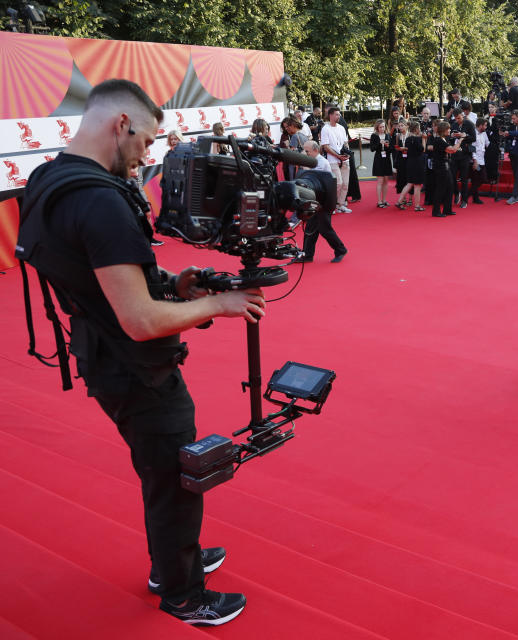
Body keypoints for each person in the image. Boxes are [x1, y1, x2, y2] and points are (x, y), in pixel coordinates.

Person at [17, 79, 258, 625]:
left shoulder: (51, 178)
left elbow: (104, 275)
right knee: (177, 473)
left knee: (160, 470)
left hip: (103, 354)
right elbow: (142, 319)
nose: (149, 153)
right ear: (121, 124)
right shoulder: (100, 201)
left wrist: (176, 281)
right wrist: (222, 303)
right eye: (146, 139)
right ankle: (183, 593)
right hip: (134, 367)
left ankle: (172, 563)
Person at [294, 141, 347, 263]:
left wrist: (303, 162)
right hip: (315, 199)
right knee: (310, 228)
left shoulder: (322, 162)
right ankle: (307, 255)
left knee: (324, 228)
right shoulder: (313, 161)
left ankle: (340, 249)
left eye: (307, 152)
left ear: (315, 150)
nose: (305, 154)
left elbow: (310, 175)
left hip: (325, 200)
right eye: (305, 151)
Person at [319, 106, 351, 214]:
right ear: (331, 115)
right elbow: (325, 146)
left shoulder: (341, 128)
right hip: (332, 160)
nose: (339, 116)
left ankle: (341, 205)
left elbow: (345, 143)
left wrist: (347, 153)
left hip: (344, 159)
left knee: (345, 184)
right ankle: (331, 205)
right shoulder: (325, 129)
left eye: (339, 114)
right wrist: (338, 156)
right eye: (337, 114)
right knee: (338, 184)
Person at [428, 119, 462, 217]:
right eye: (448, 129)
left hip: (446, 166)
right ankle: (436, 211)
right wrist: (460, 140)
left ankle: (447, 209)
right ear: (443, 130)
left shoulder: (443, 139)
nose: (450, 130)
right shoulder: (438, 140)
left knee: (450, 187)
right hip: (440, 167)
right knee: (440, 189)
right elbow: (452, 150)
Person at [449, 108, 477, 208]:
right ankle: (456, 193)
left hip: (465, 154)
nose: (457, 120)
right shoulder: (454, 124)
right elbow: (449, 138)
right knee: (452, 176)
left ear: (462, 115)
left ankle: (464, 200)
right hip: (455, 153)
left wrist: (463, 136)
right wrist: (452, 135)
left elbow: (474, 138)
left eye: (459, 118)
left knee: (464, 178)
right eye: (456, 118)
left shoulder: (469, 124)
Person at [397, 121, 425, 211]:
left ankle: (399, 201)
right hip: (417, 163)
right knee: (417, 185)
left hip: (409, 162)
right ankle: (417, 206)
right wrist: (424, 139)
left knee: (409, 183)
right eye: (419, 128)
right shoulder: (417, 139)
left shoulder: (408, 139)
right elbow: (423, 150)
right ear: (416, 129)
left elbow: (407, 149)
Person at [369, 119, 392, 208]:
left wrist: (388, 146)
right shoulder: (374, 136)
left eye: (383, 126)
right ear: (377, 128)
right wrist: (379, 143)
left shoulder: (388, 135)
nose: (382, 128)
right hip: (378, 159)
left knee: (386, 181)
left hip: (386, 159)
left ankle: (384, 200)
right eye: (380, 127)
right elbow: (372, 149)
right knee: (380, 181)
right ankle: (379, 201)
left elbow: (391, 149)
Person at [469, 117, 490, 205]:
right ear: (480, 125)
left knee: (482, 179)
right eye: (485, 125)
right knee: (477, 179)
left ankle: (467, 195)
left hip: (482, 160)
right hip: (475, 161)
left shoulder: (484, 134)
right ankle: (474, 197)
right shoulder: (473, 133)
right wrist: (474, 160)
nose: (486, 127)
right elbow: (471, 148)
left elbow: (488, 144)